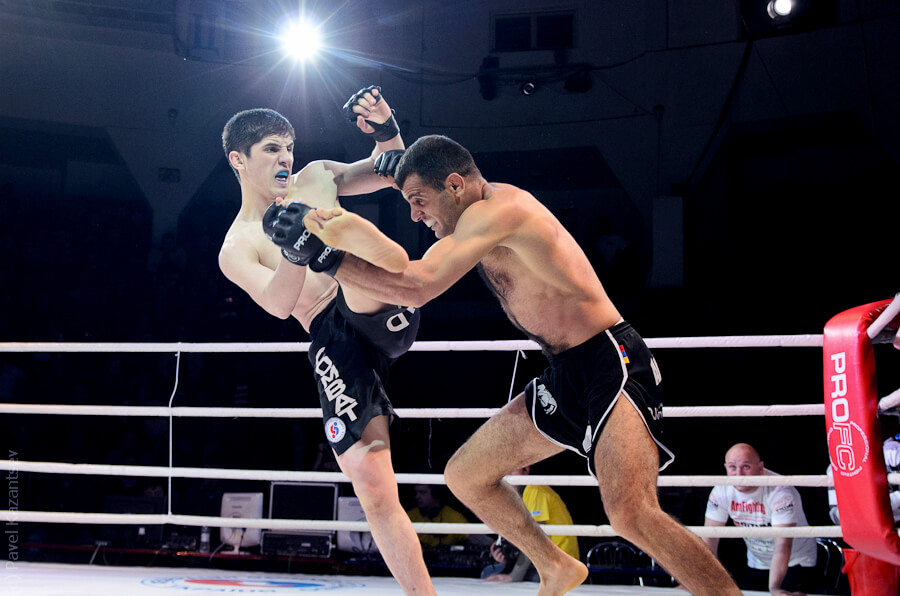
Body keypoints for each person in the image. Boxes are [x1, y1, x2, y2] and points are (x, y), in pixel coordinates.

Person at [284, 134, 742, 595]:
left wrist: (322, 258)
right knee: (465, 476)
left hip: (609, 362)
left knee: (630, 513)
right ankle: (555, 566)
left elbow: (417, 287)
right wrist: (385, 137)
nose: (415, 216)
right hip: (564, 372)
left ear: (456, 185)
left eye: (419, 201)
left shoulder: (500, 211)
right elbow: (410, 256)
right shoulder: (469, 220)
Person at [217, 87, 437, 595]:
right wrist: (294, 253)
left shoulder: (317, 177)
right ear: (238, 159)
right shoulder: (236, 246)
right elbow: (278, 304)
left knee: (341, 242)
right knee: (374, 486)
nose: (285, 157)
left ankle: (345, 252)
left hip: (374, 297)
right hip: (331, 338)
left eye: (288, 147)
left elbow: (392, 170)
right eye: (272, 148)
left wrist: (386, 128)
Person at [704, 443, 818, 596]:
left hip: (796, 560)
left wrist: (774, 588)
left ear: (760, 467)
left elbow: (783, 543)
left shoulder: (780, 490)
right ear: (726, 468)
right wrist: (700, 579)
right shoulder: (721, 490)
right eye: (732, 467)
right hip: (757, 561)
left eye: (746, 467)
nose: (739, 474)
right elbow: (709, 539)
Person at [481, 465, 579, 584]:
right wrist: (506, 557)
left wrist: (513, 576)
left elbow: (534, 539)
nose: (507, 472)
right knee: (488, 572)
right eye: (504, 466)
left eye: (513, 467)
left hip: (559, 567)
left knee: (517, 580)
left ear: (526, 469)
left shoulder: (535, 490)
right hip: (540, 563)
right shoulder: (515, 497)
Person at [828, 434, 900, 525]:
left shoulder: (891, 451)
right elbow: (837, 517)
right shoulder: (836, 468)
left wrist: (870, 507)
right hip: (870, 526)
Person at [406, 484, 469, 549]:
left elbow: (471, 539)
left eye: (422, 492)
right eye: (416, 493)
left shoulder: (454, 518)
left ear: (435, 493)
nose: (417, 497)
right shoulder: (409, 516)